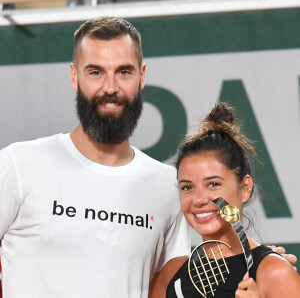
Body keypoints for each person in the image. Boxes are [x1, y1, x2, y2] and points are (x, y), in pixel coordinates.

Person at [0, 16, 191, 297]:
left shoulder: (168, 187)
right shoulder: (18, 165)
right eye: (95, 72)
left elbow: (166, 291)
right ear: (74, 76)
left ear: (142, 76)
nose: (110, 88)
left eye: (124, 72)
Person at [149, 103, 300, 298]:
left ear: (245, 188)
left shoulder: (274, 273)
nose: (199, 199)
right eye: (187, 187)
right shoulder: (172, 275)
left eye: (213, 184)